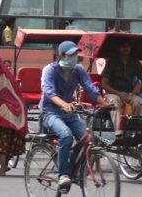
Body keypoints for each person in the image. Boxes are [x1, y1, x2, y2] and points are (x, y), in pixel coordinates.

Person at [40, 40, 106, 190]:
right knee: (66, 136)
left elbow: (90, 88)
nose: (75, 57)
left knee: (88, 138)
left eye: (76, 54)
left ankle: (71, 169)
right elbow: (49, 93)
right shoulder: (49, 70)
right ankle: (63, 174)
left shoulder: (78, 70)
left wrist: (104, 103)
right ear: (61, 55)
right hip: (51, 112)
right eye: (71, 55)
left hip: (69, 113)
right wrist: (64, 104)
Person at [0, 52, 28, 176]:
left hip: (4, 113)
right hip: (16, 110)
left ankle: (2, 168)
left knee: (1, 141)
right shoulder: (6, 74)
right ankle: (4, 165)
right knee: (8, 140)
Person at [101, 40, 142, 134]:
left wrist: (139, 86)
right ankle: (119, 132)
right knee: (114, 102)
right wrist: (119, 93)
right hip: (113, 93)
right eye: (123, 46)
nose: (125, 49)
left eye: (127, 46)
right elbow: (104, 84)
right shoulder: (112, 62)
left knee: (139, 102)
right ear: (118, 48)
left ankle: (135, 131)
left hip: (129, 93)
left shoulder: (134, 62)